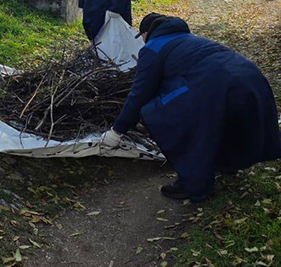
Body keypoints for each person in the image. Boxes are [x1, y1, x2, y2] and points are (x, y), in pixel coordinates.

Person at [100, 12, 281, 201]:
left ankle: (194, 183)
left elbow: (139, 94)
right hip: (253, 80)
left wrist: (117, 131)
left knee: (155, 111)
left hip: (217, 88)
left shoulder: (153, 47)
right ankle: (227, 163)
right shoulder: (190, 40)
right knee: (213, 109)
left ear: (146, 33)